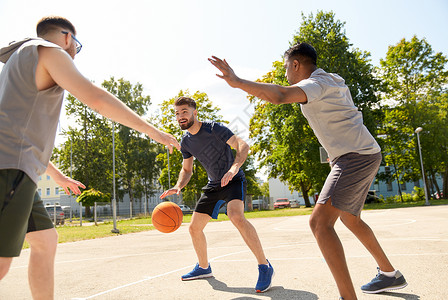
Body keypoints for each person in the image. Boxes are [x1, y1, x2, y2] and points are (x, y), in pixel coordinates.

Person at [209, 43, 407, 300]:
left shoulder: (316, 84)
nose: (285, 75)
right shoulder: (332, 80)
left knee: (320, 223)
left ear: (296, 65)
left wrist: (237, 81)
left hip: (353, 157)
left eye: (286, 69)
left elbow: (280, 95)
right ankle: (390, 274)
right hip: (362, 153)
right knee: (350, 218)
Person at [0, 16, 179, 299]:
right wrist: (153, 132)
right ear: (67, 38)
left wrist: (57, 176)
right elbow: (96, 98)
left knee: (46, 240)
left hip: (18, 168)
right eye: (76, 46)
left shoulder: (16, 62)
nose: (74, 52)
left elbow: (18, 132)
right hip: (9, 169)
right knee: (1, 262)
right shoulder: (50, 51)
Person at [160, 96, 274, 293]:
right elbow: (187, 170)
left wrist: (234, 168)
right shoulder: (186, 141)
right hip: (214, 184)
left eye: (184, 112)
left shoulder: (214, 128)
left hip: (233, 179)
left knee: (236, 216)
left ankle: (264, 266)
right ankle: (204, 268)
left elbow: (242, 145)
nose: (180, 116)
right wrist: (179, 186)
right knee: (194, 228)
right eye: (177, 113)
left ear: (195, 112)